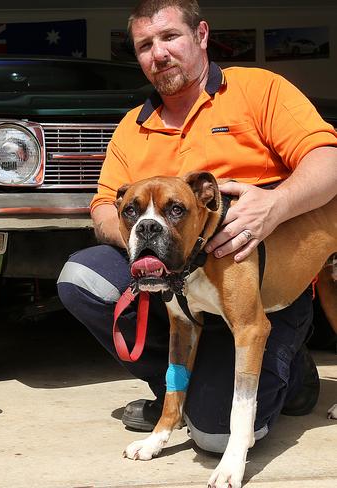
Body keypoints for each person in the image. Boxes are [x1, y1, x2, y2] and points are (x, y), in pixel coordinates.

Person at [57, 0, 337, 454]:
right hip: (183, 282)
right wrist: (142, 237)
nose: (158, 53)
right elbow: (103, 207)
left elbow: (329, 160)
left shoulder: (258, 89)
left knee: (216, 436)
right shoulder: (132, 127)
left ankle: (289, 363)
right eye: (145, 45)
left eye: (169, 37)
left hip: (264, 279)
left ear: (201, 35)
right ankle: (176, 392)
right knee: (82, 277)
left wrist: (276, 203)